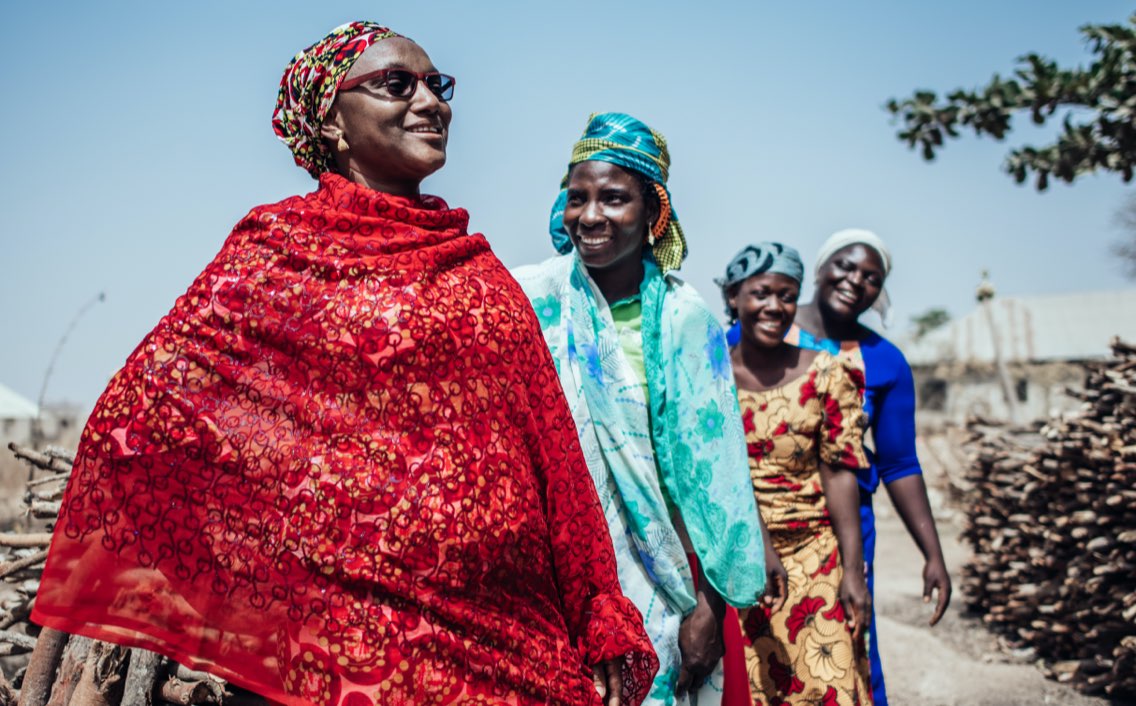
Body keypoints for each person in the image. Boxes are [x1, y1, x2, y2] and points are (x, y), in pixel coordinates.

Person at [30, 23, 657, 706]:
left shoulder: (479, 273)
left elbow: (554, 462)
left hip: (501, 639)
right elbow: (139, 417)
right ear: (331, 118)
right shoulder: (275, 254)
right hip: (335, 638)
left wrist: (600, 610)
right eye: (397, 84)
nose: (431, 102)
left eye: (437, 84)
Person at [512, 113, 778, 706]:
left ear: (653, 211)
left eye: (613, 198)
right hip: (550, 581)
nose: (590, 216)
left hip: (662, 581)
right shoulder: (529, 300)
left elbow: (715, 482)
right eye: (576, 197)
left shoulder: (686, 322)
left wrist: (709, 609)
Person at [788, 229, 952, 706]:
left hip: (845, 533)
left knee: (844, 648)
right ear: (819, 267)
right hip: (762, 523)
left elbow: (900, 463)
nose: (855, 280)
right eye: (844, 265)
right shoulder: (762, 330)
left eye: (871, 277)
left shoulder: (887, 362)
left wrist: (933, 553)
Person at [719, 243, 873, 706]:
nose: (774, 307)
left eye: (787, 296)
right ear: (733, 298)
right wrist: (759, 546)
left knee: (831, 685)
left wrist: (853, 572)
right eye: (761, 293)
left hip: (815, 555)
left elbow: (839, 471)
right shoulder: (710, 376)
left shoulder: (827, 373)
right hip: (739, 559)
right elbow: (717, 475)